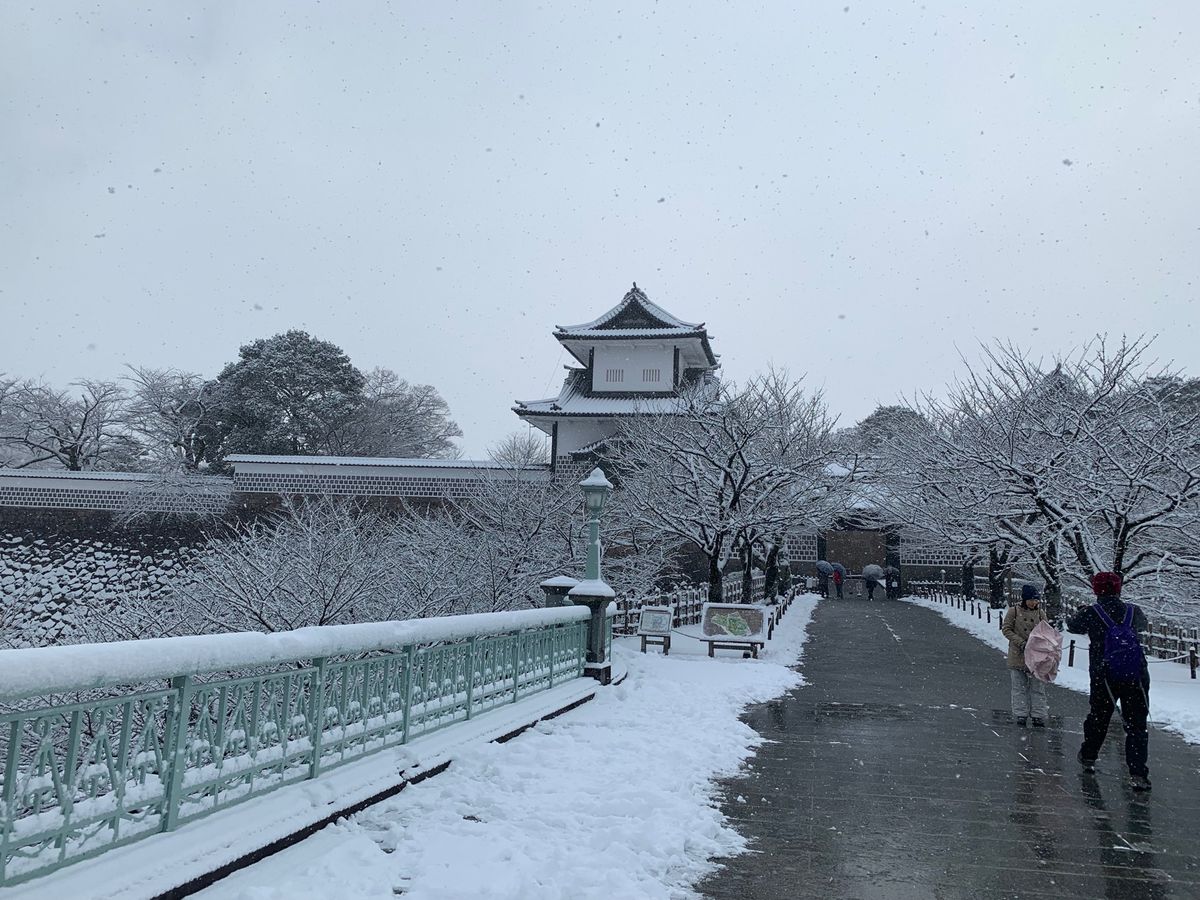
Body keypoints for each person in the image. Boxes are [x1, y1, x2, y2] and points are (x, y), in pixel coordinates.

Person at [1066, 572, 1151, 791]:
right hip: (1136, 675)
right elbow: (1143, 626)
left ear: (1096, 590)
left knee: (1099, 718)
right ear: (1118, 588)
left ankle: (1088, 755)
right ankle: (1138, 773)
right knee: (1137, 725)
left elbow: (1072, 626)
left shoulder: (1091, 613)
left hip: (1104, 675)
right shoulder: (1134, 611)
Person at [1002, 584, 1049, 727]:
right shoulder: (1013, 611)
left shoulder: (1040, 613)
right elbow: (1006, 629)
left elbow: (1046, 631)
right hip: (1018, 654)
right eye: (1032, 600)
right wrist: (1021, 642)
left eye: (1037, 600)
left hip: (1036, 656)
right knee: (1019, 687)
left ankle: (1038, 715)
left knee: (1038, 687)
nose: (1035, 603)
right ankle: (1020, 714)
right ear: (1025, 599)